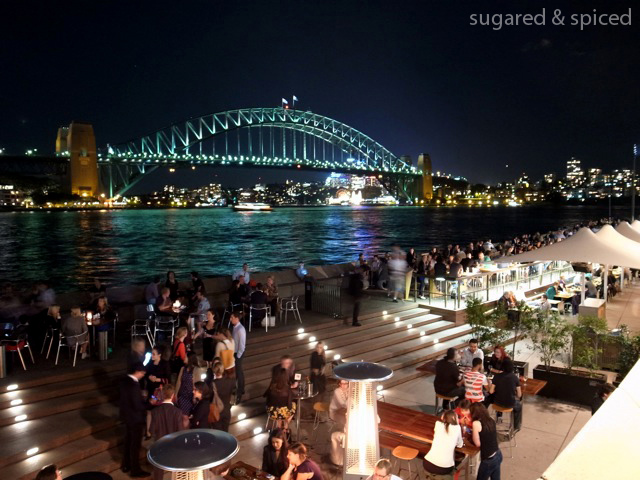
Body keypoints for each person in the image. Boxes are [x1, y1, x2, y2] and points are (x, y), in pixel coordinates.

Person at [119, 362, 150, 477]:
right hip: (136, 419)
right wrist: (149, 403)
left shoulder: (124, 381)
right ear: (137, 372)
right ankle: (135, 470)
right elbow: (137, 405)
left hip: (127, 417)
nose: (142, 375)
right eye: (142, 373)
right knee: (135, 445)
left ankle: (126, 465)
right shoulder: (134, 384)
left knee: (128, 442)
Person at [149, 383, 184, 480]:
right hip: (173, 445)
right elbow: (180, 432)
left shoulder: (155, 411)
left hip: (159, 444)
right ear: (173, 396)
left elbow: (151, 430)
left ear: (162, 395)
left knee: (158, 470)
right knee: (176, 468)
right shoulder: (177, 412)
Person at [423, 410, 463, 478]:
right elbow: (460, 445)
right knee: (458, 460)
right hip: (444, 468)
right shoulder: (457, 428)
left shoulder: (438, 424)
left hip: (428, 464)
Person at [487, 358, 522, 431]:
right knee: (519, 406)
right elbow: (519, 395)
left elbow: (491, 391)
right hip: (510, 404)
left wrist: (490, 384)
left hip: (497, 403)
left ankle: (496, 417)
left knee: (488, 398)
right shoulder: (515, 377)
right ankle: (516, 427)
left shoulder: (497, 376)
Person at [470, 402, 502, 480]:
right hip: (498, 454)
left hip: (488, 460)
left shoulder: (476, 423)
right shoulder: (491, 419)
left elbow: (477, 444)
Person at [211, 361, 235, 431]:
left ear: (214, 371)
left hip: (217, 411)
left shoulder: (212, 384)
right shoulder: (231, 381)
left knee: (218, 432)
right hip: (227, 410)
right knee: (225, 431)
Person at [230, 312, 246, 404]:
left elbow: (242, 345)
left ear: (237, 318)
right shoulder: (235, 327)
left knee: (239, 372)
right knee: (239, 372)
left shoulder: (240, 329)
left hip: (238, 353)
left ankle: (239, 392)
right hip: (235, 352)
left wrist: (238, 356)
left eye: (232, 317)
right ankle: (241, 388)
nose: (230, 319)